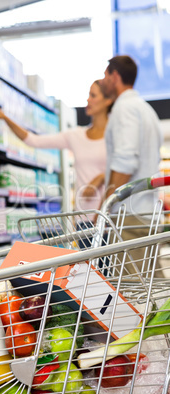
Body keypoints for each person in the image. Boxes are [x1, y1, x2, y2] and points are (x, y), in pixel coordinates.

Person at [0, 80, 113, 221]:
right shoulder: (76, 135)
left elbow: (122, 170)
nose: (88, 100)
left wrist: (101, 177)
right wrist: (6, 118)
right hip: (83, 218)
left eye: (93, 95)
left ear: (107, 101)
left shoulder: (115, 136)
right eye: (88, 95)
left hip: (108, 218)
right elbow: (33, 140)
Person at [100, 55, 164, 277]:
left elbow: (126, 162)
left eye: (105, 75)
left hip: (129, 215)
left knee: (130, 292)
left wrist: (106, 205)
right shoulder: (146, 110)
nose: (103, 80)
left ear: (115, 76)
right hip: (146, 211)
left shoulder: (124, 108)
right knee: (150, 290)